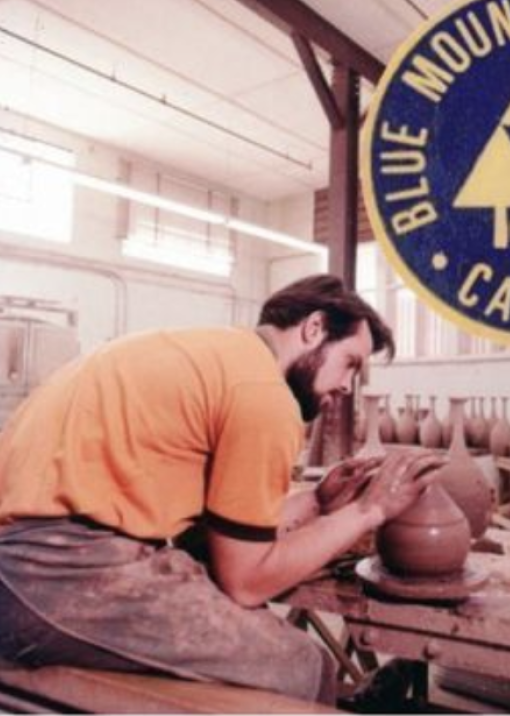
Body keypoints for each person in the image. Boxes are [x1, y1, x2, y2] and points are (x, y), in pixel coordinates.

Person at [0, 274, 444, 703]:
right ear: (314, 329)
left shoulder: (216, 356)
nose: (348, 385)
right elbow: (247, 581)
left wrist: (317, 503)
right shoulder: (262, 393)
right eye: (351, 363)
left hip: (39, 556)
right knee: (302, 664)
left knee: (243, 620)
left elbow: (222, 535)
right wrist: (370, 510)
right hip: (46, 574)